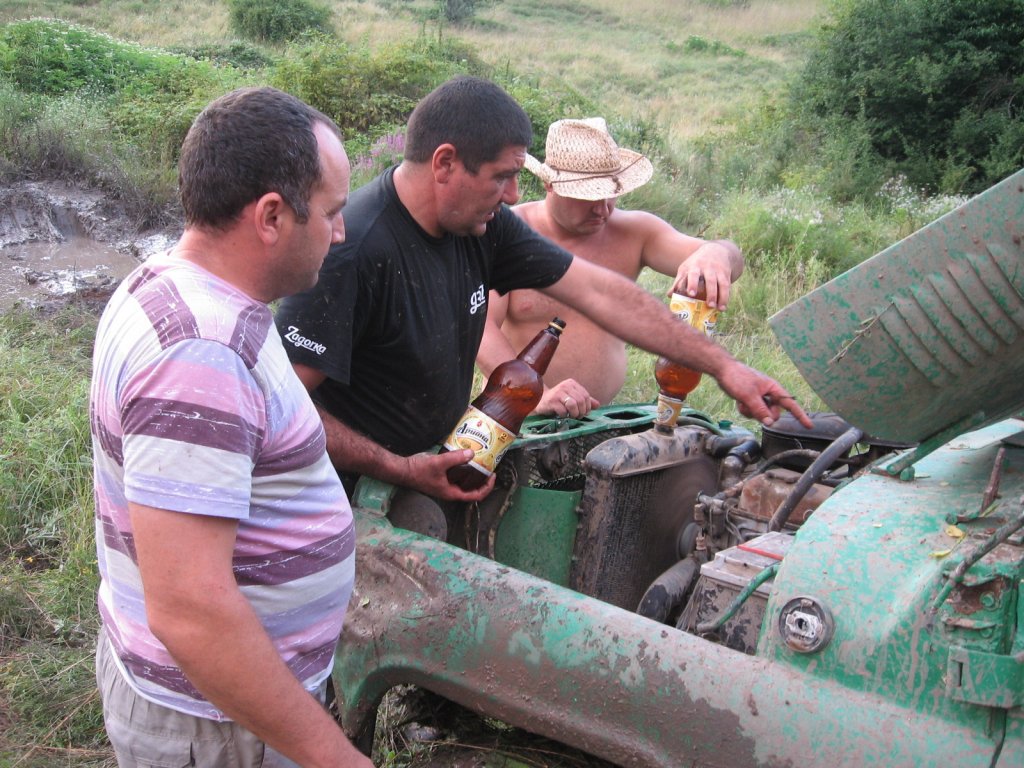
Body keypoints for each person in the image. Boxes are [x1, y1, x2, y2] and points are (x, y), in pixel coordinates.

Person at [275, 75, 811, 506]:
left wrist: (723, 366)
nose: (513, 195)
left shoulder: (483, 227)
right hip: (336, 493)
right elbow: (281, 406)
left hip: (430, 467)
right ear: (445, 163)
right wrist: (398, 468)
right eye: (501, 177)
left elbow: (601, 293)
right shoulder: (353, 252)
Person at [90, 86, 372, 768]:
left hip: (225, 711)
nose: (340, 233)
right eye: (331, 212)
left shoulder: (173, 283)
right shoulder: (201, 353)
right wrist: (334, 757)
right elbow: (192, 610)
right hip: (216, 725)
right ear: (271, 216)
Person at [477, 117, 744, 417]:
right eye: (588, 195)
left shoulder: (635, 232)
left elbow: (731, 259)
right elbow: (481, 329)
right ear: (549, 184)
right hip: (516, 416)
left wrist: (716, 254)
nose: (602, 208)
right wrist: (532, 396)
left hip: (600, 418)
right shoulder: (510, 233)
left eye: (611, 192)